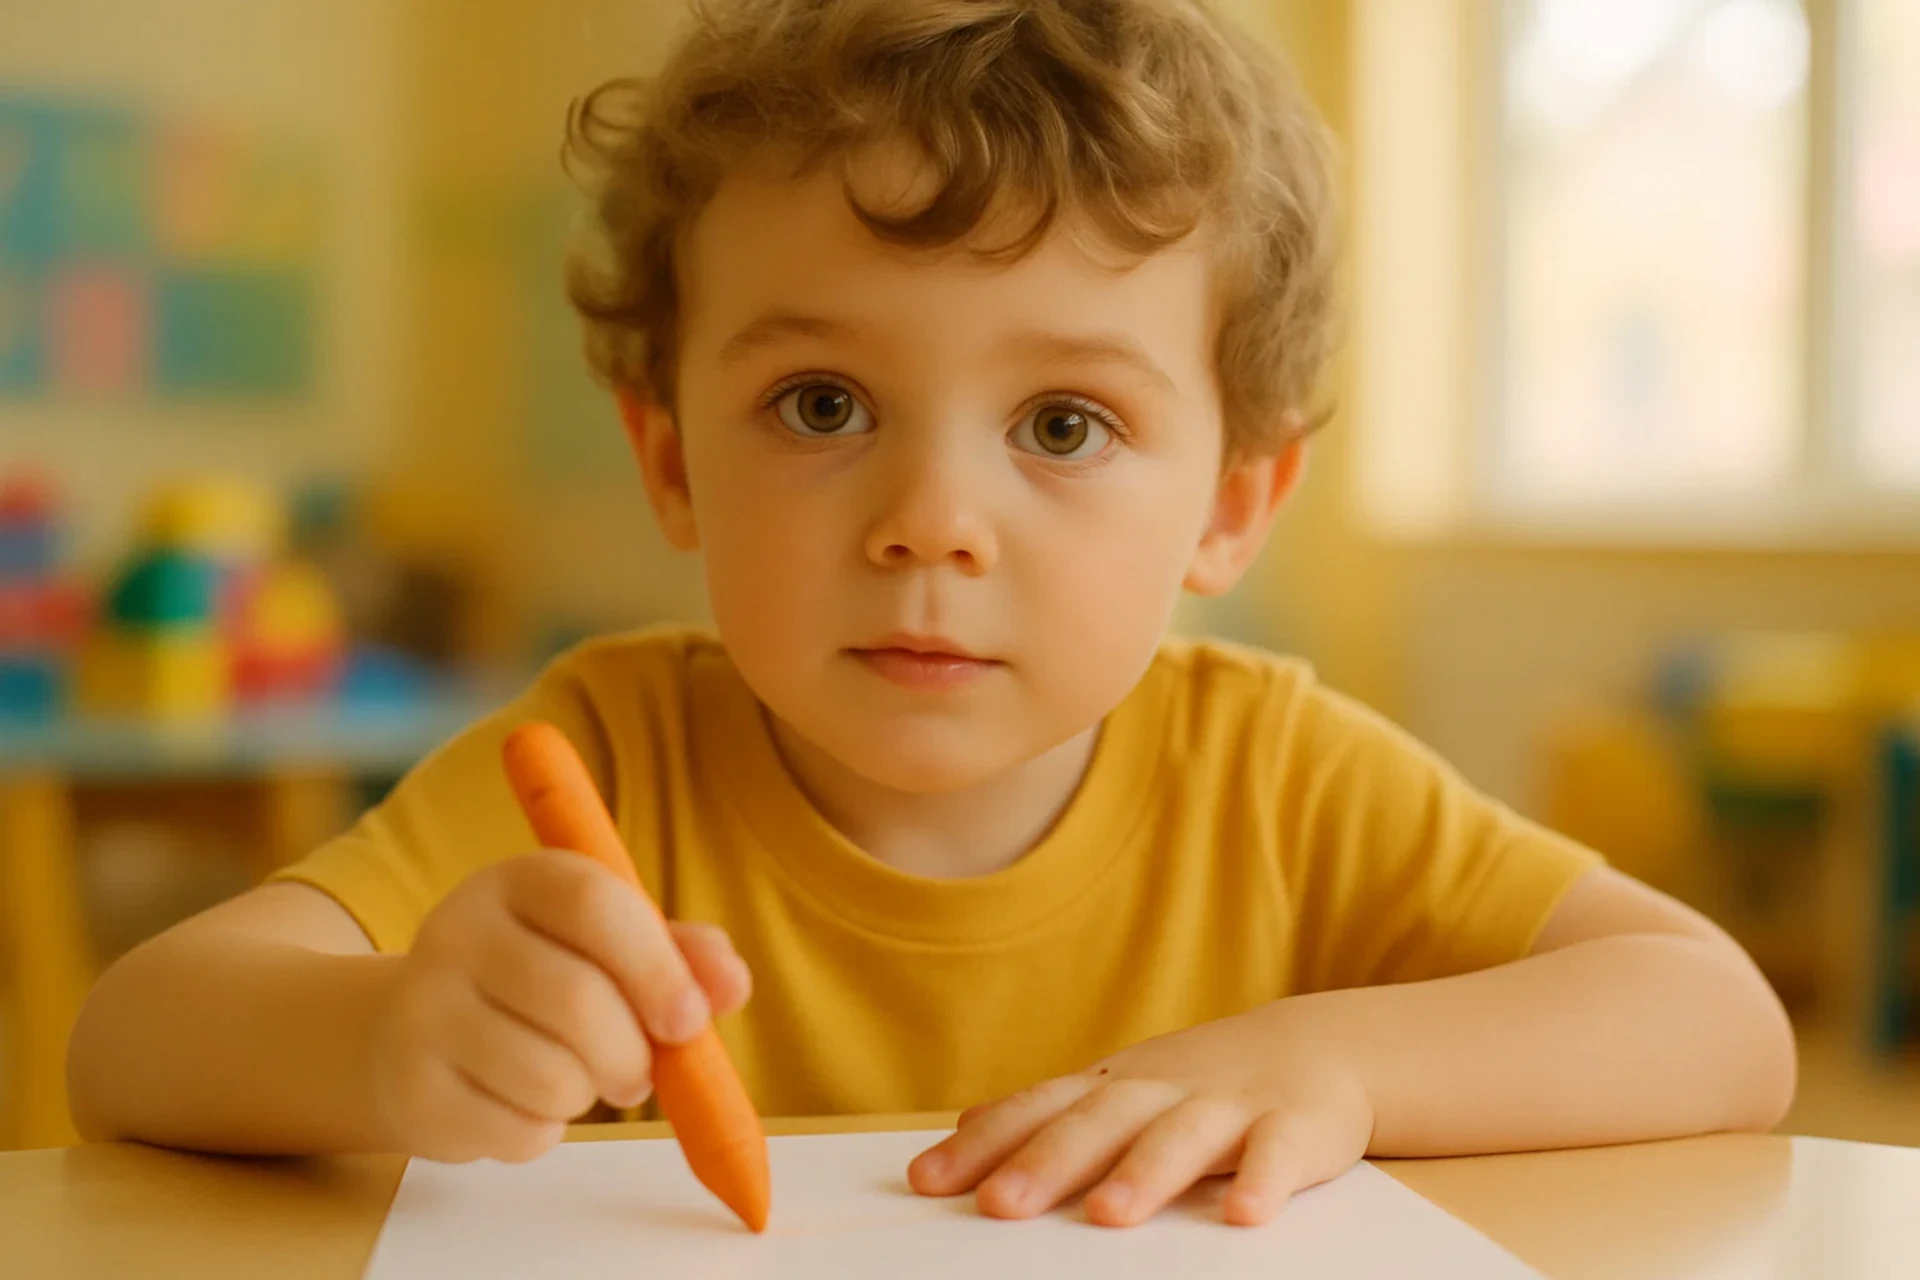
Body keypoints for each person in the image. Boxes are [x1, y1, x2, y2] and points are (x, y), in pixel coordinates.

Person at [67, 0, 1794, 1229]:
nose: (927, 528)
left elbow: (1715, 1021)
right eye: (822, 405)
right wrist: (383, 1038)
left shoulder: (1281, 775)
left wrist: (1331, 1064)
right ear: (671, 462)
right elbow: (133, 1041)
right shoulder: (609, 752)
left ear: (1233, 503)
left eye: (1063, 426)